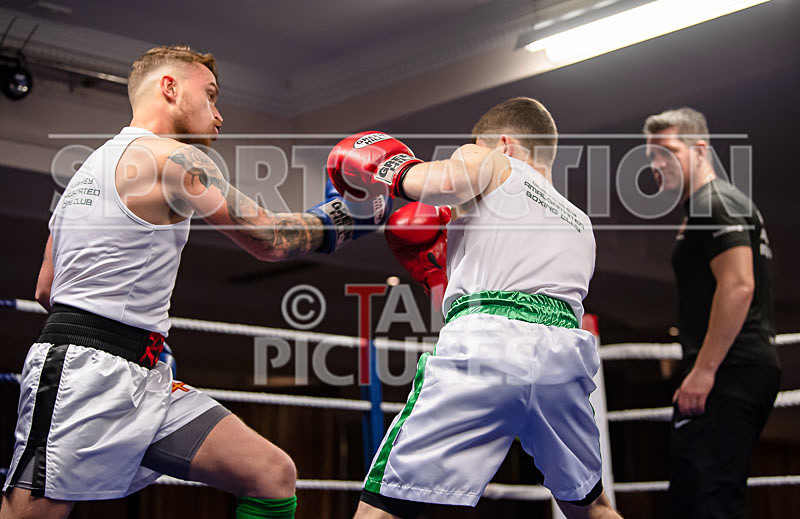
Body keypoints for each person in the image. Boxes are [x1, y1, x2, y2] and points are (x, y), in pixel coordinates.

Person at [0, 45, 389, 519]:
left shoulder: (85, 173)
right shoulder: (174, 159)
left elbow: (46, 288)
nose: (219, 115)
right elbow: (268, 238)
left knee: (271, 474)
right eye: (210, 95)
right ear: (170, 87)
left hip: (141, 375)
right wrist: (344, 218)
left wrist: (130, 335)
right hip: (84, 378)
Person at [326, 97, 622, 519]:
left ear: (502, 143)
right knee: (592, 509)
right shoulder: (579, 222)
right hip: (565, 360)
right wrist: (439, 276)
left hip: (487, 346)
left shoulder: (494, 161)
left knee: (384, 508)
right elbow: (515, 286)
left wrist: (389, 165)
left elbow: (446, 182)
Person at [643, 107, 780, 519]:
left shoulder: (713, 202)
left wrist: (703, 371)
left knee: (708, 501)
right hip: (736, 369)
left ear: (700, 150)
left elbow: (739, 285)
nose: (656, 164)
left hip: (729, 371)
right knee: (700, 495)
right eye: (651, 156)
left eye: (666, 152)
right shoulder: (713, 204)